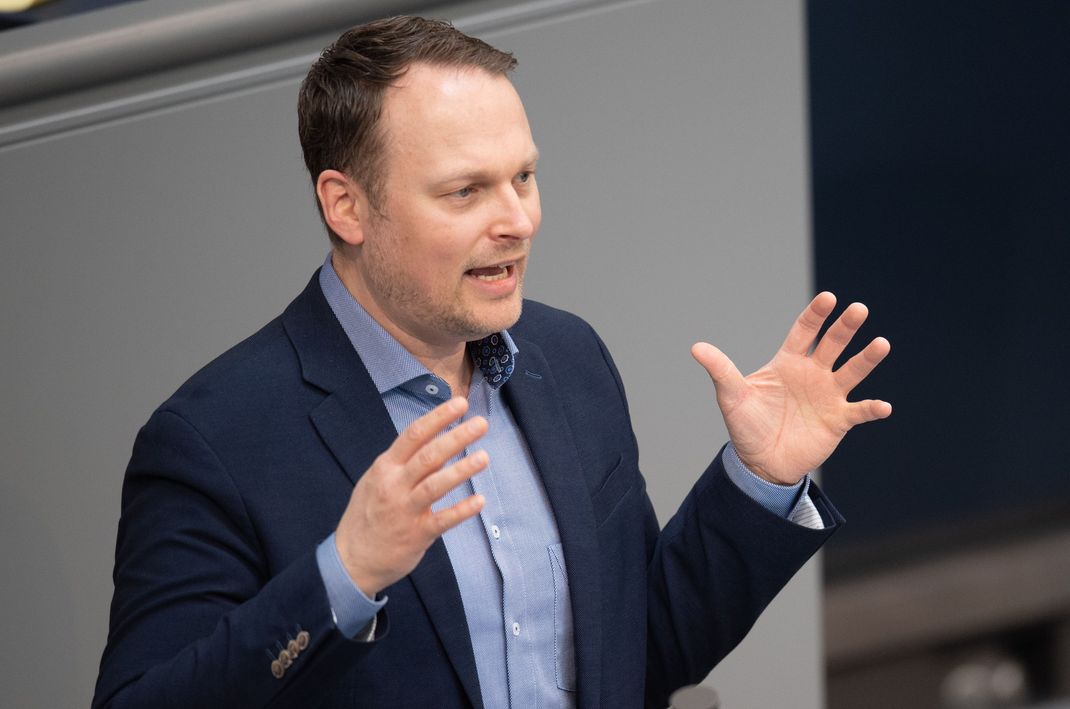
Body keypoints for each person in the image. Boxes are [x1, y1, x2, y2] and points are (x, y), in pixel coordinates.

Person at [93, 15, 891, 709]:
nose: (518, 221)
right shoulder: (215, 441)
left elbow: (637, 654)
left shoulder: (567, 359)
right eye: (465, 191)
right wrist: (345, 573)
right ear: (346, 205)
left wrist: (759, 483)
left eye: (524, 177)